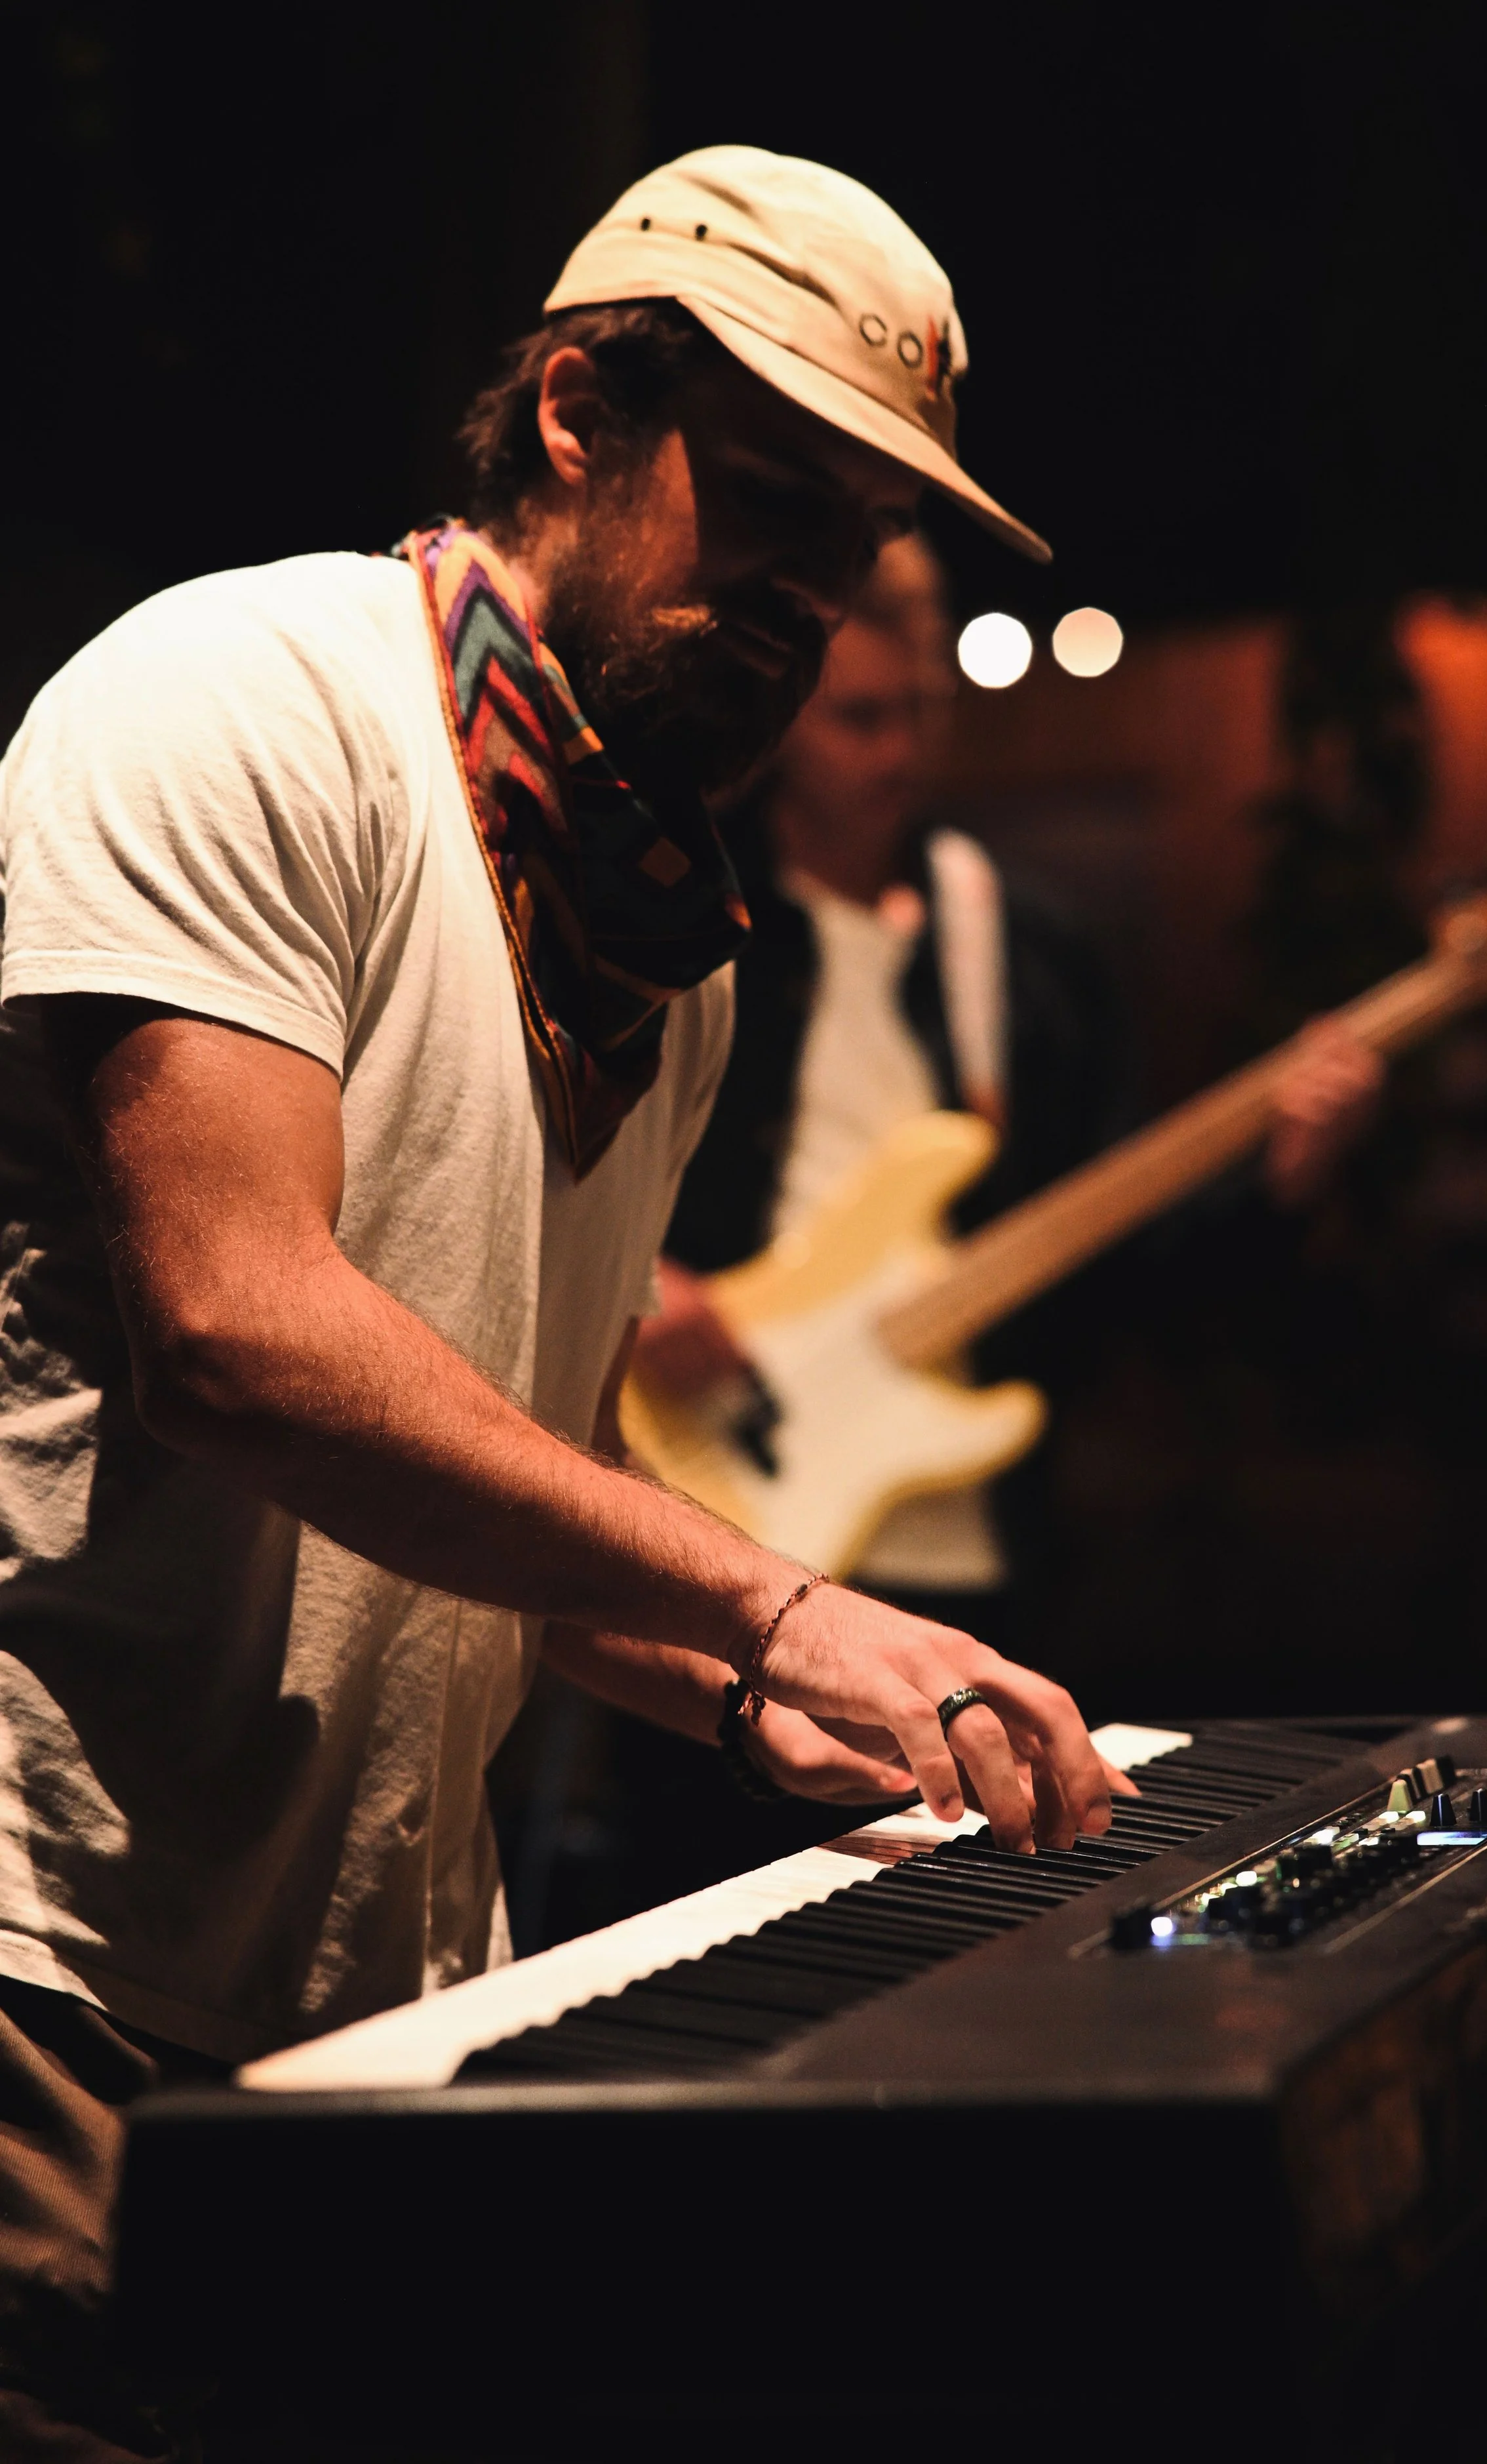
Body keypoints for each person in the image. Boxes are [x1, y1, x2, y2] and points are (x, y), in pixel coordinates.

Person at [0, 148, 1126, 2459]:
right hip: (57, 1963)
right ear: (579, 414)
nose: (814, 588)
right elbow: (235, 1322)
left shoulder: (660, 949)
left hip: (393, 2004)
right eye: (776, 494)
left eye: (856, 548)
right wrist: (784, 1605)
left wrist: (722, 1684)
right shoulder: (242, 699)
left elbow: (526, 1477)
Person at [636, 535, 1383, 1668]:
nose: (900, 751)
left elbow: (1123, 1256)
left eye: (921, 712)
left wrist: (1289, 1178)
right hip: (718, 1504)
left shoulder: (1027, 949)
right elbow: (552, 1159)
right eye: (860, 718)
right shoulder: (679, 915)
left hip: (970, 1539)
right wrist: (637, 1281)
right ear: (785, 716)